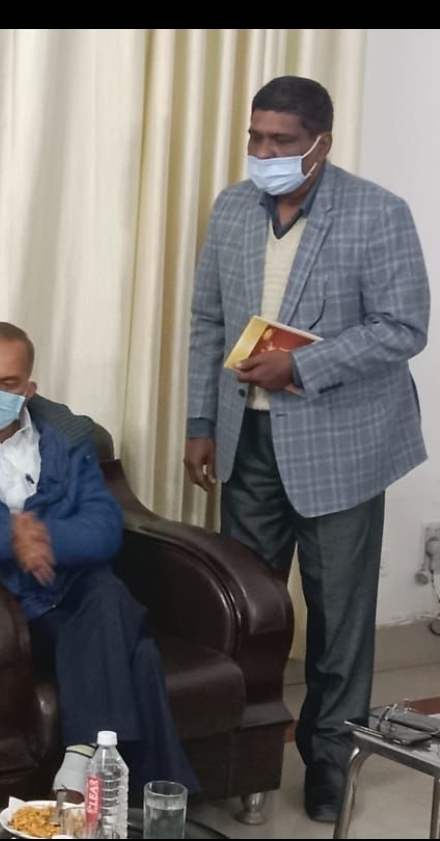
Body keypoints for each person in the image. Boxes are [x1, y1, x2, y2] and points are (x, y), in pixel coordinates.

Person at [185, 76, 430, 823]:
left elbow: (403, 326)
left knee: (338, 617)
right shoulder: (232, 207)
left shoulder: (377, 213)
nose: (265, 153)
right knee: (249, 611)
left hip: (343, 445)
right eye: (256, 138)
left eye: (282, 142)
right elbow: (208, 321)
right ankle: (245, 758)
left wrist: (303, 366)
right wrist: (200, 422)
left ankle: (330, 761)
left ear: (320, 143)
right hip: (248, 441)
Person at [0, 321, 198, 794]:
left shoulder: (66, 433)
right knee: (137, 652)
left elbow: (104, 526)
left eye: (7, 384)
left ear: (28, 390)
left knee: (107, 592)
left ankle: (81, 761)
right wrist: (7, 535)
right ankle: (157, 799)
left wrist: (41, 537)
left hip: (68, 590)